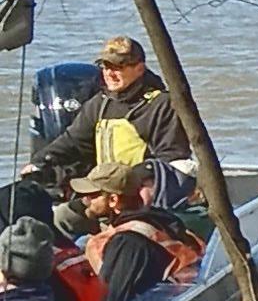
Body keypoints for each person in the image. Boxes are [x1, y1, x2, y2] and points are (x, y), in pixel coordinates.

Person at [28, 35, 189, 199]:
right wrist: (39, 161)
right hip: (103, 191)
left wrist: (136, 182)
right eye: (105, 66)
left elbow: (171, 158)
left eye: (118, 67)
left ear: (139, 69)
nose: (110, 73)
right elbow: (73, 141)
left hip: (141, 194)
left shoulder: (161, 104)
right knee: (60, 215)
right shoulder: (100, 103)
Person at [70, 156, 204, 301]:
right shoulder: (160, 220)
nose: (85, 200)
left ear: (113, 200)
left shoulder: (129, 242)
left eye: (92, 195)